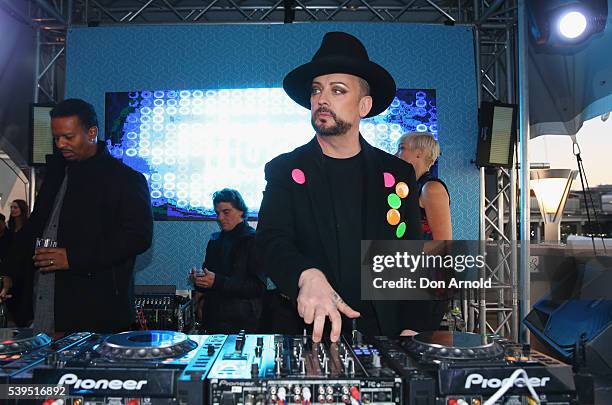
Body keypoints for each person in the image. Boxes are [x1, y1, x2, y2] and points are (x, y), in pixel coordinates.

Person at [257, 32, 442, 342]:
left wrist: (412, 329)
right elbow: (271, 241)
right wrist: (307, 275)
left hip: (384, 336)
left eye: (338, 90)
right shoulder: (285, 170)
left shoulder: (397, 173)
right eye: (316, 90)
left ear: (364, 105)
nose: (322, 99)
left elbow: (411, 259)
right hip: (307, 334)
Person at [0, 98, 153, 334]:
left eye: (69, 137)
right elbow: (34, 228)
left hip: (94, 314)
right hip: (43, 306)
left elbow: (138, 237)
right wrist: (9, 271)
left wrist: (74, 257)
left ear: (92, 132)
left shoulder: (125, 179)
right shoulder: (55, 175)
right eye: (56, 137)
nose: (61, 144)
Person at [190, 188, 265, 333]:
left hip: (243, 324)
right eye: (217, 213)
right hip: (214, 321)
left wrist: (216, 281)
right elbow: (209, 275)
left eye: (226, 212)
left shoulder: (253, 240)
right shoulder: (215, 240)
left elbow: (258, 287)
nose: (220, 218)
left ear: (241, 211)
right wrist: (199, 280)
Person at [396, 132, 452, 240]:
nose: (395, 154)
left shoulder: (431, 188)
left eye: (401, 148)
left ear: (419, 153)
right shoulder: (411, 186)